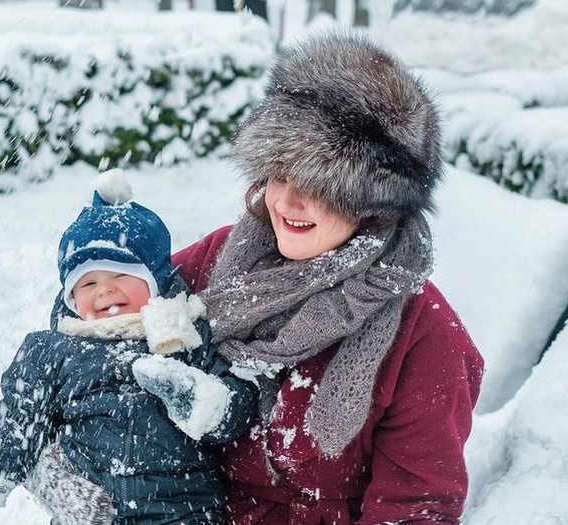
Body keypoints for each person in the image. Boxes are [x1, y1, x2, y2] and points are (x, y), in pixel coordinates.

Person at [168, 32, 485, 525]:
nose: (289, 203)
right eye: (281, 174)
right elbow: (107, 307)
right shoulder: (218, 257)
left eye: (321, 186)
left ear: (373, 203)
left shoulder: (424, 336)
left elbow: (413, 509)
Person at [0, 172, 257, 525]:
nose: (104, 291)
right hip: (92, 512)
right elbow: (17, 424)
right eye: (87, 283)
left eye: (121, 275)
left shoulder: (183, 335)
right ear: (71, 298)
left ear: (154, 281)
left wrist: (192, 396)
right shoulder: (53, 350)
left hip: (184, 511)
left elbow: (236, 409)